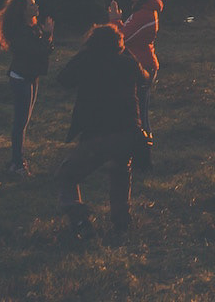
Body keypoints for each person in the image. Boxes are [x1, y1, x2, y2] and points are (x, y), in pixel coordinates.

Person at [55, 23, 149, 236]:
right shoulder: (128, 63)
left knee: (67, 174)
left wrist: (83, 53)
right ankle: (121, 221)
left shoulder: (87, 61)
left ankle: (79, 220)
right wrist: (127, 51)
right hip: (128, 133)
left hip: (96, 134)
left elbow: (63, 79)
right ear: (119, 45)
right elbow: (145, 78)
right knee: (120, 171)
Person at [0, 0, 54, 176]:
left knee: (23, 122)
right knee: (20, 123)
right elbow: (37, 51)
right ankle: (17, 163)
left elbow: (44, 50)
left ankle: (17, 160)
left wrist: (47, 36)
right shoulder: (20, 31)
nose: (36, 7)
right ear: (23, 10)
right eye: (31, 4)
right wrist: (48, 34)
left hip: (31, 77)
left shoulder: (32, 28)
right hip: (21, 78)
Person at [107, 0, 163, 138]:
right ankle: (140, 145)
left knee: (139, 115)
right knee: (137, 112)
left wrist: (115, 21)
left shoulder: (145, 14)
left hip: (142, 67)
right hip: (139, 65)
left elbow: (122, 39)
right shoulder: (142, 12)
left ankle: (143, 146)